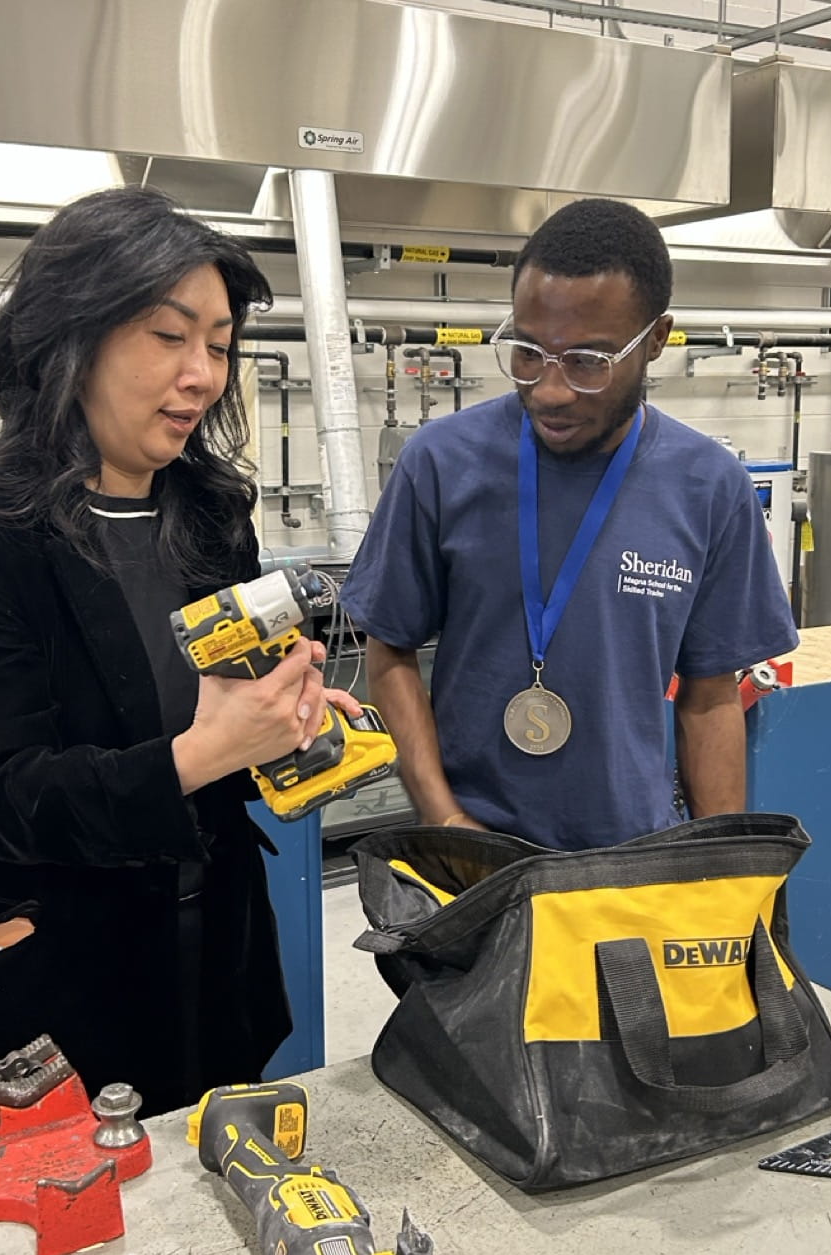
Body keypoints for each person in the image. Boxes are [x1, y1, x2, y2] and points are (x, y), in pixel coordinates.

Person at [0, 186, 360, 1115]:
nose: (203, 374)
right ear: (71, 336)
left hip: (215, 961)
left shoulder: (209, 515)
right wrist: (206, 751)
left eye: (220, 344)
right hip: (58, 988)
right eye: (171, 336)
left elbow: (227, 723)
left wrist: (290, 725)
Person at [340, 197, 798, 852]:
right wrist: (445, 820)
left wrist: (711, 868)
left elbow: (710, 697)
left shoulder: (709, 487)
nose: (550, 391)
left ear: (658, 340)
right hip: (475, 858)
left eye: (588, 361)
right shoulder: (440, 464)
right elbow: (390, 653)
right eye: (528, 351)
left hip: (632, 854)